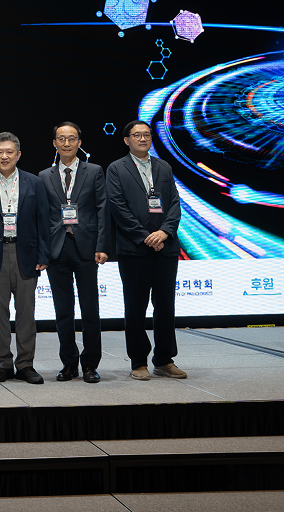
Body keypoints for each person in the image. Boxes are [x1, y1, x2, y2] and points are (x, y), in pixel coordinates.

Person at [106, 119, 185, 381]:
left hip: (166, 247)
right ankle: (138, 362)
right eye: (137, 135)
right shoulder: (116, 168)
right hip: (134, 250)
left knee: (166, 306)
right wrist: (146, 237)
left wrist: (164, 232)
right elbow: (118, 208)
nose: (143, 139)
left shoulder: (163, 166)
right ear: (126, 140)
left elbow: (175, 203)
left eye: (147, 135)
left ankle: (164, 360)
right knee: (135, 307)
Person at [0, 131, 50, 385]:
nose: (4, 156)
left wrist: (43, 254)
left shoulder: (34, 182)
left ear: (18, 155)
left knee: (26, 312)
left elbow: (43, 220)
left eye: (9, 152)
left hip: (25, 253)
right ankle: (3, 363)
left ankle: (26, 364)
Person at [39, 122, 108, 384]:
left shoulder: (94, 171)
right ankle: (69, 363)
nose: (66, 143)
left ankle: (90, 364)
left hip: (87, 248)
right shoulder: (44, 175)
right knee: (63, 310)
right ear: (54, 143)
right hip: (57, 249)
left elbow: (102, 209)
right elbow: (41, 216)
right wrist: (42, 252)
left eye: (71, 138)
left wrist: (102, 246)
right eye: (61, 139)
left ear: (79, 142)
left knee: (90, 309)